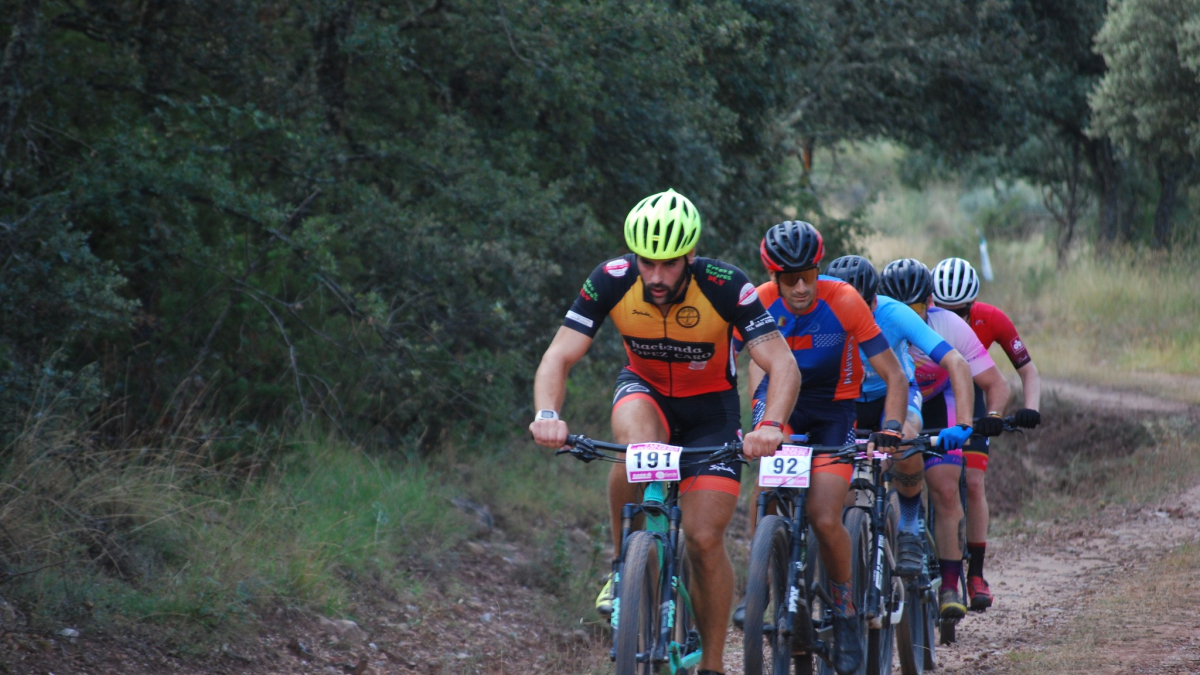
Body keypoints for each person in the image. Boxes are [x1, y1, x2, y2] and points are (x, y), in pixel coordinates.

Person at [529, 189, 800, 675]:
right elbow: (559, 354)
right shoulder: (611, 279)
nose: (655, 276)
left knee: (702, 538)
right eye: (646, 262)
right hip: (645, 390)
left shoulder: (725, 285)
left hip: (711, 413)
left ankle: (712, 664)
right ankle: (622, 568)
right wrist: (548, 414)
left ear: (690, 256)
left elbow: (782, 364)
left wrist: (771, 426)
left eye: (669, 264)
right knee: (638, 448)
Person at [737, 222, 910, 675]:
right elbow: (724, 359)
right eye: (789, 278)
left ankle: (845, 612)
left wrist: (892, 427)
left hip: (834, 411)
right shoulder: (758, 301)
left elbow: (894, 376)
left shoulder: (844, 300)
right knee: (764, 492)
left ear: (819, 270)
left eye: (808, 275)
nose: (800, 287)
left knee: (824, 514)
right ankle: (759, 591)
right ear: (772, 276)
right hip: (782, 406)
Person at [823, 255, 978, 584]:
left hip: (896, 393)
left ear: (875, 300)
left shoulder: (894, 313)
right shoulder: (818, 313)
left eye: (862, 304)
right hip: (845, 399)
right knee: (837, 473)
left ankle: (909, 521)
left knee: (904, 441)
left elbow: (956, 362)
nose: (852, 312)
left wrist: (964, 423)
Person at [878, 258, 1011, 619]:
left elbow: (995, 383)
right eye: (899, 307)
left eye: (916, 308)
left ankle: (951, 583)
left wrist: (991, 417)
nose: (908, 316)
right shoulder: (875, 323)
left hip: (940, 401)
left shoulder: (949, 326)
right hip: (894, 401)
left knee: (946, 486)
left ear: (930, 302)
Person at [931, 257, 1042, 611]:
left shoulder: (991, 319)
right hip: (931, 399)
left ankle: (976, 574)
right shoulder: (922, 318)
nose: (952, 318)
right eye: (943, 309)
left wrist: (1028, 408)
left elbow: (1027, 371)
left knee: (975, 483)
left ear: (972, 305)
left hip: (972, 401)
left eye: (960, 312)